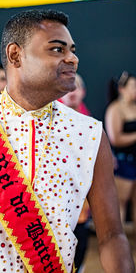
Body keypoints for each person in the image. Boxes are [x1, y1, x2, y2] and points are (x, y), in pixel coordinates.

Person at [0, 10, 134, 273]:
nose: (72, 58)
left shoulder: (90, 135)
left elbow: (111, 235)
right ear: (15, 55)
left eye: (72, 50)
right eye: (56, 49)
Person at [59, 74, 91, 273]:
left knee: (80, 249)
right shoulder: (46, 122)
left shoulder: (92, 126)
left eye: (76, 87)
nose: (72, 91)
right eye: (67, 87)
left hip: (82, 202)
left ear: (83, 92)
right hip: (56, 201)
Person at [105, 71, 136, 237]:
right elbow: (115, 139)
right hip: (123, 162)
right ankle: (120, 242)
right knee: (121, 204)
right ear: (122, 89)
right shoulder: (115, 109)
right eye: (133, 86)